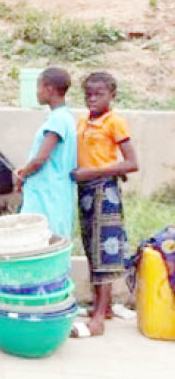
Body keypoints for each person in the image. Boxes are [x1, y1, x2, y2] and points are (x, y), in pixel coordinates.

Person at [71, 72, 138, 338]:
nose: (92, 98)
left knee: (105, 253)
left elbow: (132, 163)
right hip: (86, 192)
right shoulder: (83, 121)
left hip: (103, 193)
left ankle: (99, 318)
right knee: (91, 248)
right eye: (88, 94)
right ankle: (103, 306)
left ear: (112, 95)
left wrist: (93, 173)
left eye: (99, 94)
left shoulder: (115, 122)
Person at [16, 67, 77, 238]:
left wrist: (22, 175)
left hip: (47, 192)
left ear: (49, 89)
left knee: (41, 240)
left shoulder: (58, 119)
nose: (37, 92)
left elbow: (41, 158)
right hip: (52, 190)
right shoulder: (63, 117)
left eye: (39, 87)